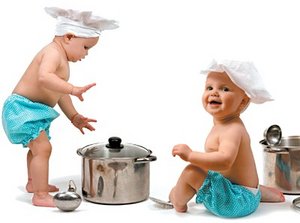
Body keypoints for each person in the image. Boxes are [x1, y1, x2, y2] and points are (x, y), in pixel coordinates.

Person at [1, 7, 118, 207]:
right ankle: (39, 195)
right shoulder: (52, 53)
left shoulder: (62, 59)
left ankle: (34, 183)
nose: (86, 54)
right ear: (69, 36)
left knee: (37, 149)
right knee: (43, 148)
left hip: (35, 111)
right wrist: (72, 88)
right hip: (23, 109)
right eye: (86, 47)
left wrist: (74, 116)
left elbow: (59, 92)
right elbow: (44, 77)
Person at [169, 59, 285, 218]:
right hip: (246, 191)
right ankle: (259, 192)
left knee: (191, 172)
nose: (214, 93)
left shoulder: (232, 130)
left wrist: (190, 155)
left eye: (224, 89)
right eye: (209, 87)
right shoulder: (227, 123)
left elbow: (225, 160)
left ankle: (177, 199)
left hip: (236, 202)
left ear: (243, 102)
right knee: (206, 168)